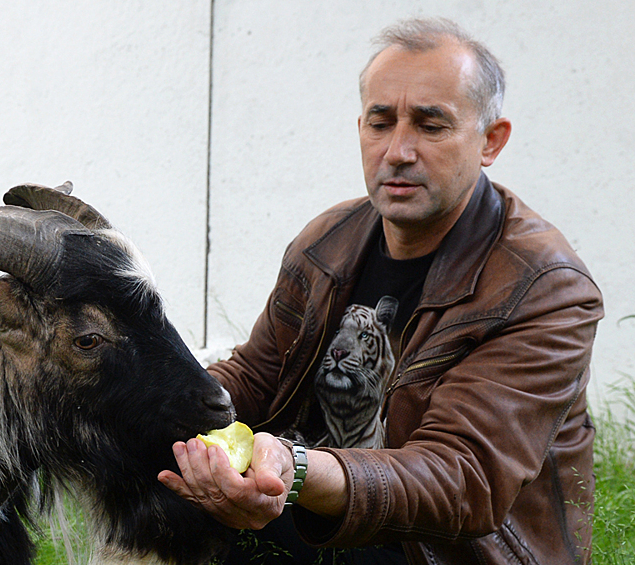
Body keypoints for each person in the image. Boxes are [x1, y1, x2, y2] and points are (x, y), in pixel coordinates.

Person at [158, 17, 603, 565]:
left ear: (491, 141)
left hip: (440, 550)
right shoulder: (328, 240)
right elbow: (255, 376)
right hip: (310, 514)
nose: (398, 150)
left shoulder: (544, 287)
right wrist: (142, 400)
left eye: (430, 125)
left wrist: (294, 468)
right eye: (381, 122)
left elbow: (461, 480)